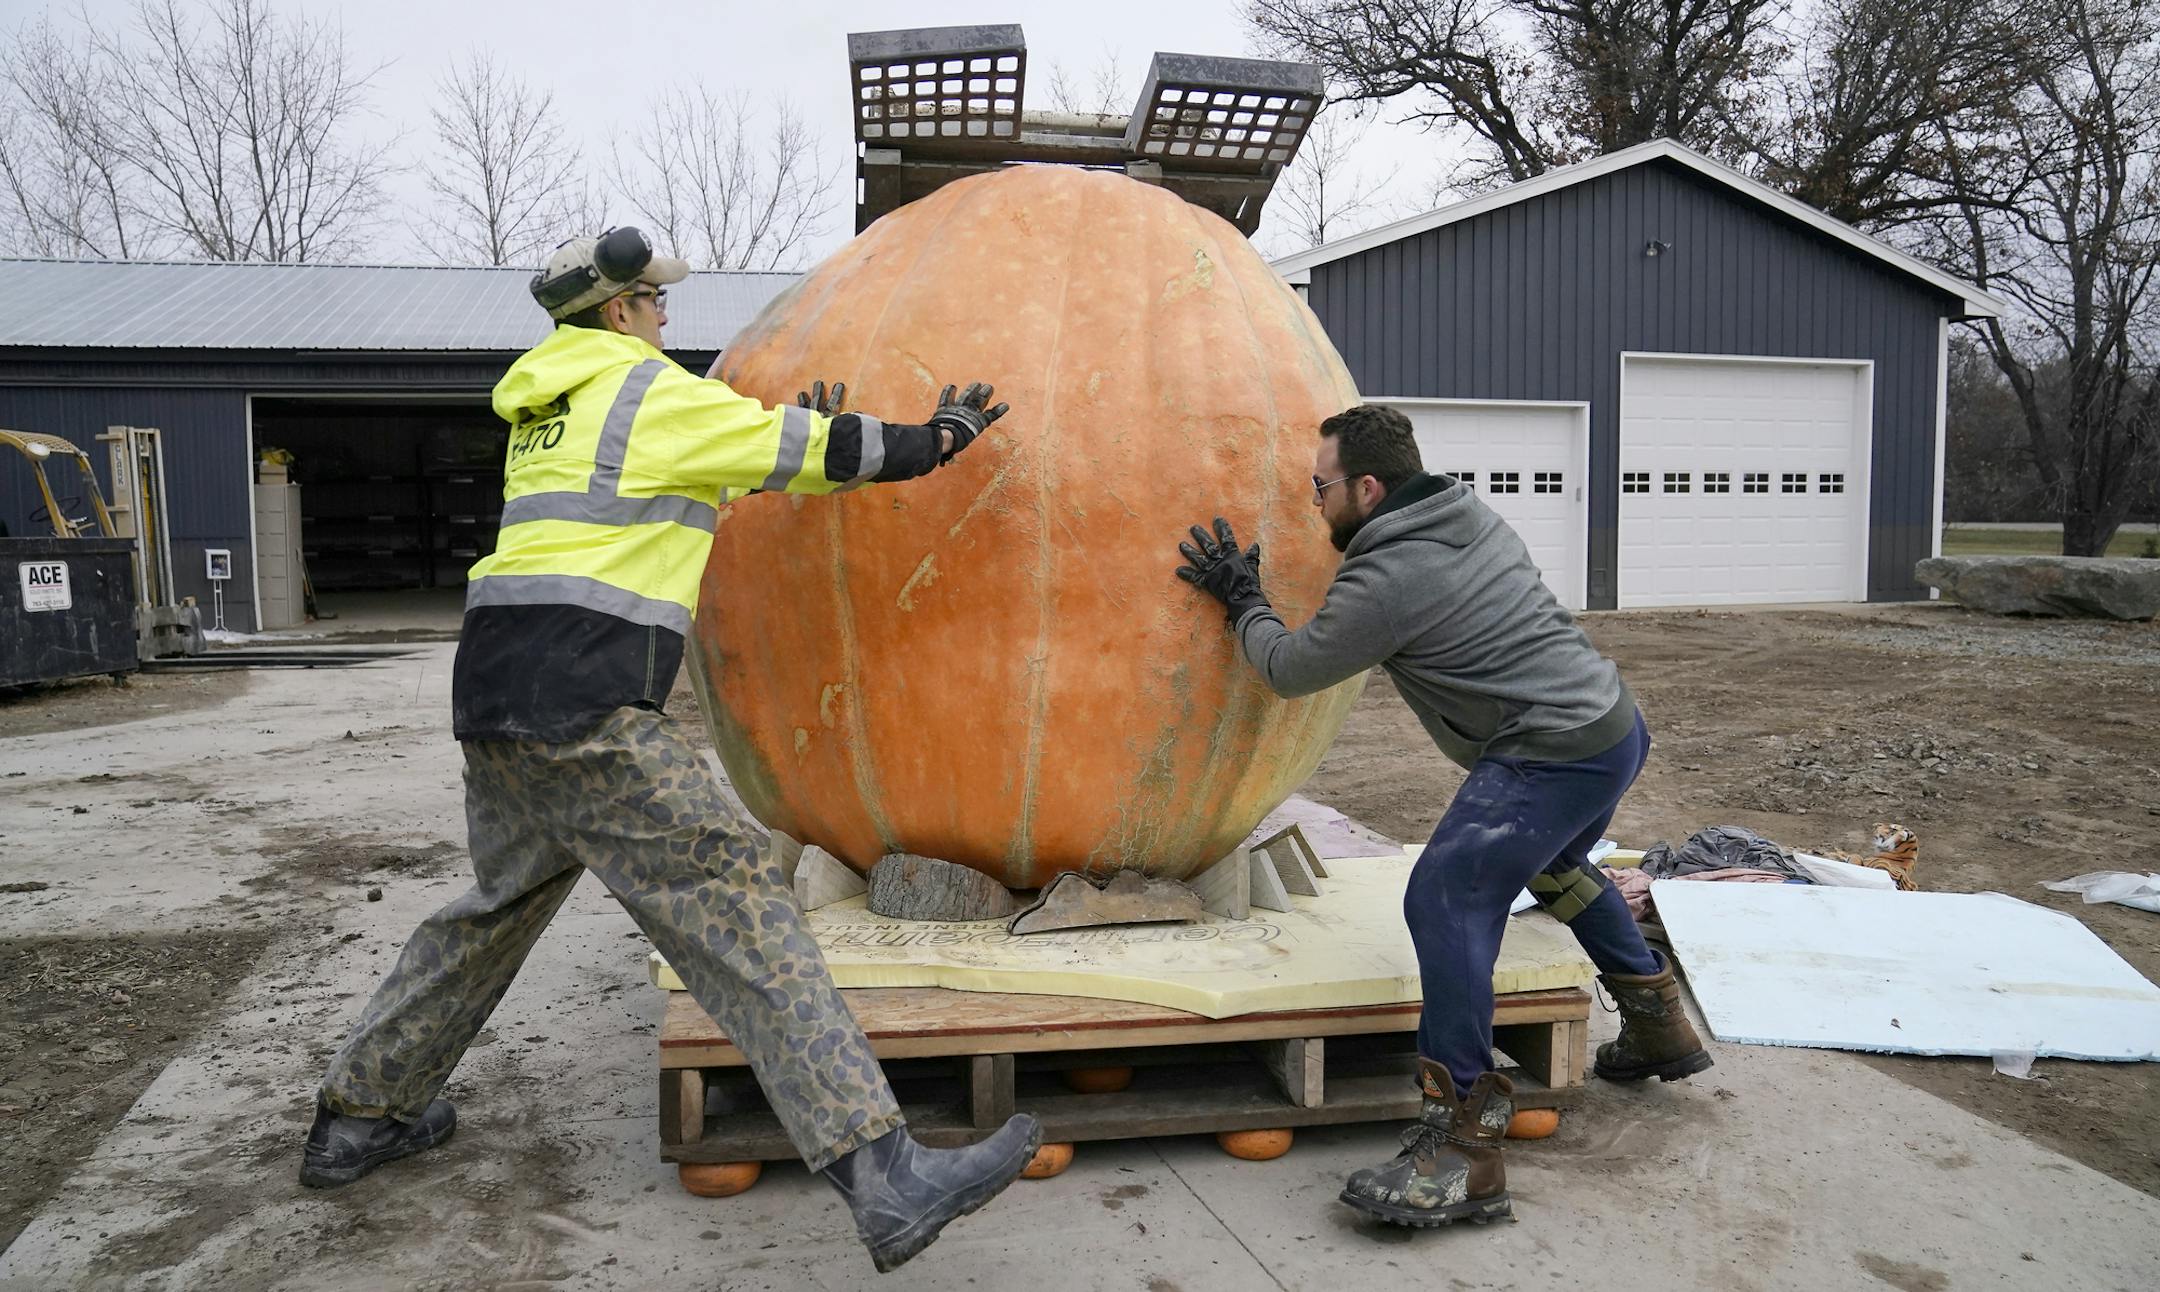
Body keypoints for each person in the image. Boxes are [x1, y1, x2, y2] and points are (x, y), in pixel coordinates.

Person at [302, 228, 1040, 1273]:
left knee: (496, 904)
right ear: (616, 312)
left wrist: (781, 441)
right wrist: (938, 434)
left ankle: (360, 1113)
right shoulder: (646, 389)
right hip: (588, 700)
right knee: (733, 890)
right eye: (653, 301)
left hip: (496, 694)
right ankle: (883, 1171)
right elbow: (820, 453)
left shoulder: (549, 412)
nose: (664, 317)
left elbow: (682, 491)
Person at [1172, 403, 1711, 1229]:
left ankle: (1465, 1143)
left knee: (1448, 896)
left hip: (1551, 747)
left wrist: (1242, 596)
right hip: (1609, 724)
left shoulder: (1390, 576)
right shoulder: (1460, 513)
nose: (1313, 502)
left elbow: (1288, 667)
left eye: (1321, 488)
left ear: (1369, 486)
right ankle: (1657, 1022)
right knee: (1556, 868)